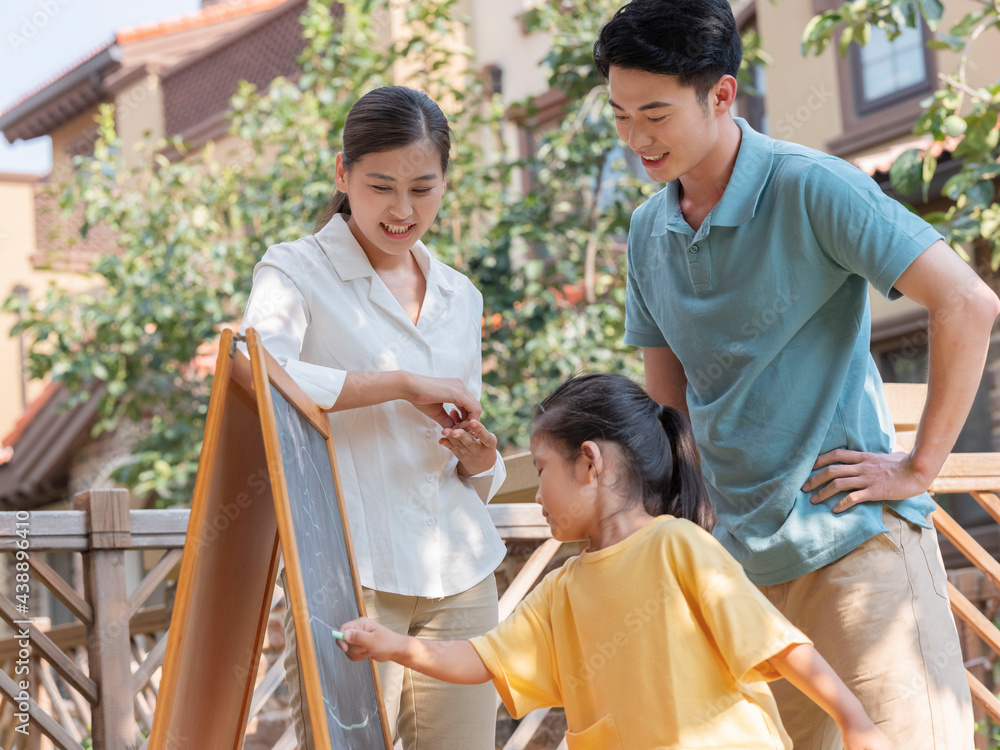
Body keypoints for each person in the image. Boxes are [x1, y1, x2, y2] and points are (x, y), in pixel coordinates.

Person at [592, 1, 1000, 747]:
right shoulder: (647, 230)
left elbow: (968, 301)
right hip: (739, 573)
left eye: (654, 113)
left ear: (721, 94)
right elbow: (666, 399)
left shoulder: (813, 185)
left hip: (856, 553)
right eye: (619, 114)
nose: (634, 138)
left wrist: (921, 466)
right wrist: (686, 521)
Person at [336, 374, 893, 750]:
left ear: (589, 462)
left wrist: (855, 722)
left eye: (542, 469)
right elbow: (482, 660)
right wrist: (394, 646)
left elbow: (779, 644)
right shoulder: (562, 587)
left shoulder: (679, 546)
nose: (536, 493)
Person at [239, 85, 506, 750]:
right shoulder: (294, 270)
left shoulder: (460, 296)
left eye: (424, 188)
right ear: (343, 173)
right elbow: (254, 370)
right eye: (382, 186)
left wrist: (481, 458)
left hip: (461, 572)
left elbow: (461, 452)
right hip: (349, 570)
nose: (403, 210)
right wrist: (398, 383)